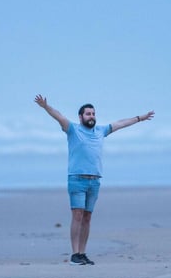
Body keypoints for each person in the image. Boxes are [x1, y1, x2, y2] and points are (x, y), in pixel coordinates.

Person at [34, 94, 155, 265]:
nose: (92, 116)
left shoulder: (101, 131)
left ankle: (82, 253)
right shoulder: (73, 129)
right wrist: (46, 107)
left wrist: (139, 118)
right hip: (77, 179)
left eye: (93, 114)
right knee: (77, 215)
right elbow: (59, 116)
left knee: (87, 217)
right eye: (88, 114)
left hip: (95, 180)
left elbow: (120, 123)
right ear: (81, 116)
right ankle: (75, 254)